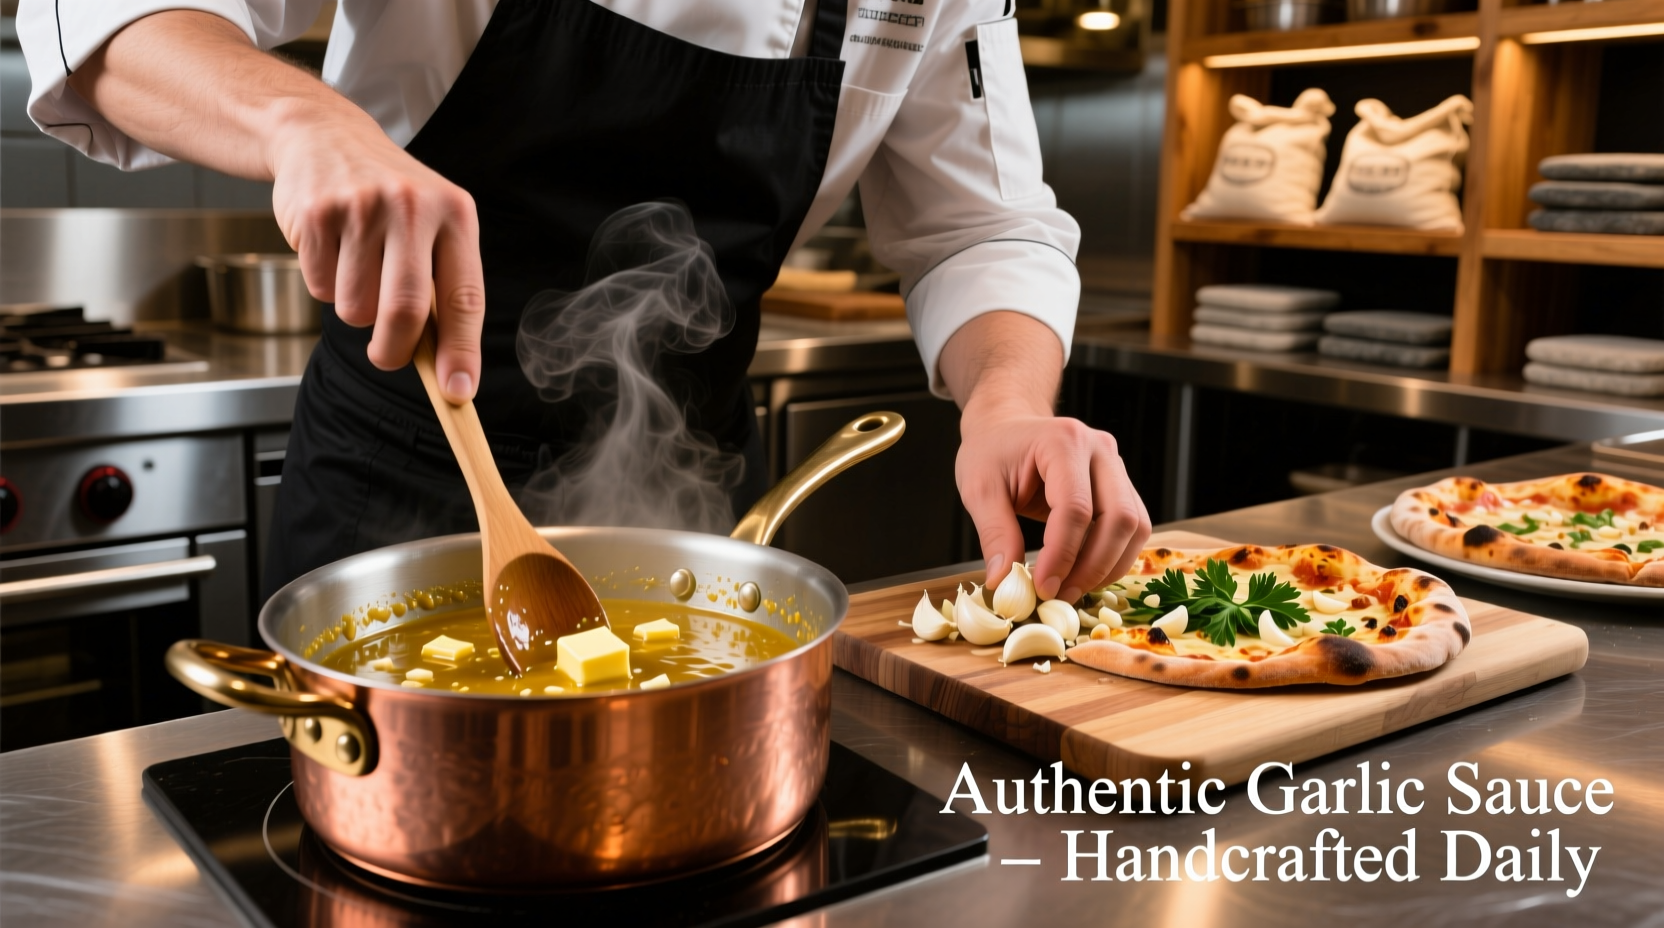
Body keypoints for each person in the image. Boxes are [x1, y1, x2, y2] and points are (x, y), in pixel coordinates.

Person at [18, 0, 1152, 602]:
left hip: (691, 500)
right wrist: (301, 121)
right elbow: (111, 18)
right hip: (398, 470)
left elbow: (982, 224)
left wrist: (1008, 405)